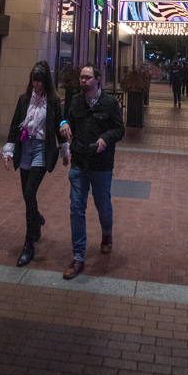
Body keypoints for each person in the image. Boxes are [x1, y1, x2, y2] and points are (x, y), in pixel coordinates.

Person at [2, 61, 70, 267]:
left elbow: (59, 123)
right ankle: (37, 218)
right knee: (27, 195)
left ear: (45, 82)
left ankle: (28, 245)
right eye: (33, 80)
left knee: (30, 193)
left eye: (39, 81)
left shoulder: (53, 101)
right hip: (25, 147)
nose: (36, 84)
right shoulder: (24, 100)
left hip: (41, 148)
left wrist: (65, 149)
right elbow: (15, 124)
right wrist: (9, 149)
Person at [62, 64, 125, 280]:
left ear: (98, 79)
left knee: (103, 206)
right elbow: (67, 118)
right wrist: (63, 123)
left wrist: (104, 139)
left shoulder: (109, 104)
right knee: (76, 209)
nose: (83, 81)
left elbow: (119, 129)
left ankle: (106, 235)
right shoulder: (76, 102)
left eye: (88, 77)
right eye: (81, 77)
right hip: (79, 163)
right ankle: (78, 256)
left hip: (101, 165)